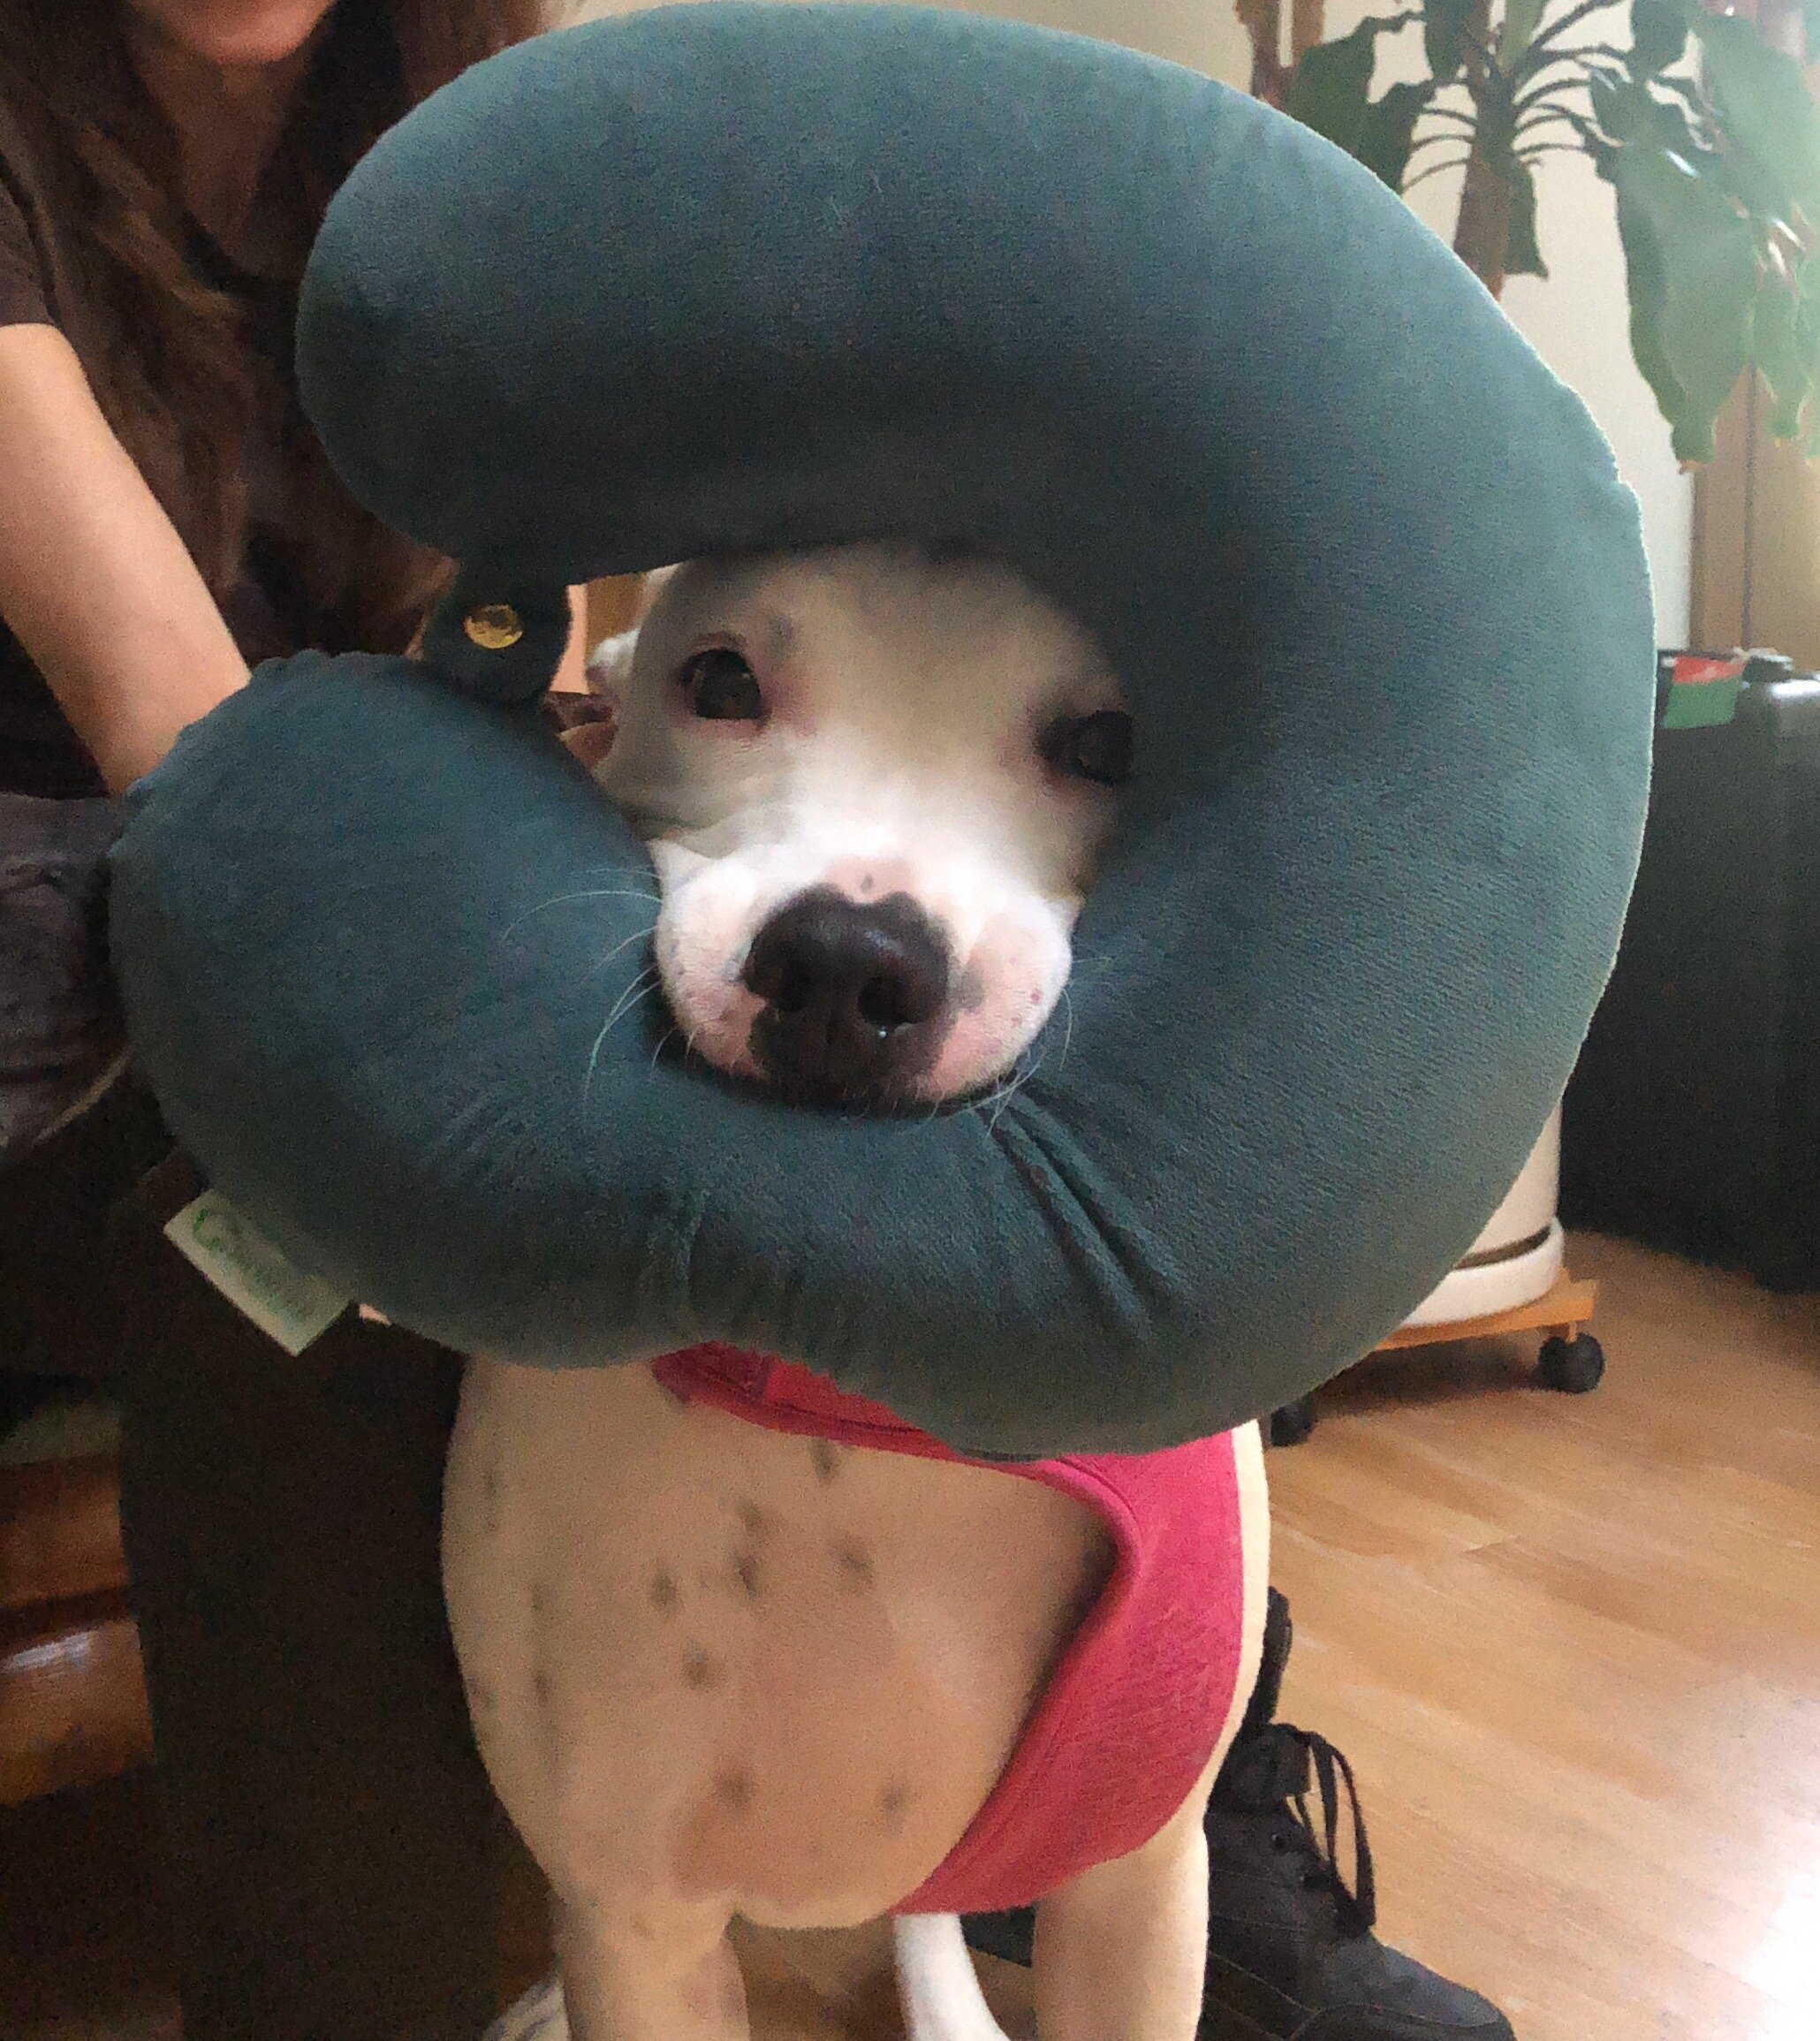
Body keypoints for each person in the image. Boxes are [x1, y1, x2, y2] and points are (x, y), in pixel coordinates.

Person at [0, 5, 1514, 2040]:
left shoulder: (478, 134)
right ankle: (379, 1982)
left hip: (374, 818)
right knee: (281, 1211)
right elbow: (208, 782)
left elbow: (472, 670)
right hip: (99, 927)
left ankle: (1151, 1763)